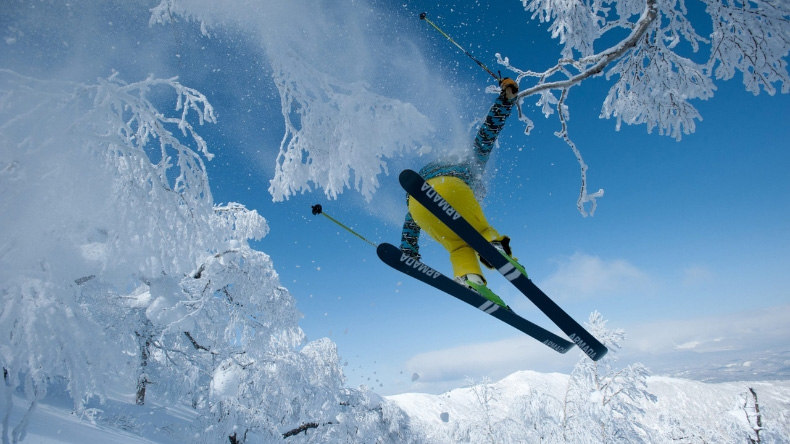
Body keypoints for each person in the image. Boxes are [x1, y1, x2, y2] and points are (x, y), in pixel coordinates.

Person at [400, 77, 519, 308]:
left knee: (458, 245)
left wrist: (408, 252)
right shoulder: (472, 166)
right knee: (480, 229)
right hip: (452, 187)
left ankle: (468, 278)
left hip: (416, 205)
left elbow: (410, 225)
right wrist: (506, 101)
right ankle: (493, 248)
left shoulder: (426, 178)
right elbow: (487, 135)